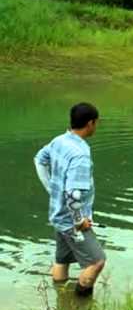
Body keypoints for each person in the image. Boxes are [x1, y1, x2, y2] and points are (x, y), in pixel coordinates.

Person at [34, 102, 105, 297]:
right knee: (96, 261)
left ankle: (60, 301)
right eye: (96, 123)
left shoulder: (60, 140)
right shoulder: (80, 154)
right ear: (90, 123)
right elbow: (73, 193)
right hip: (71, 222)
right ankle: (78, 306)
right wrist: (79, 221)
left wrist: (51, 189)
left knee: (62, 260)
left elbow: (39, 160)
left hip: (57, 214)